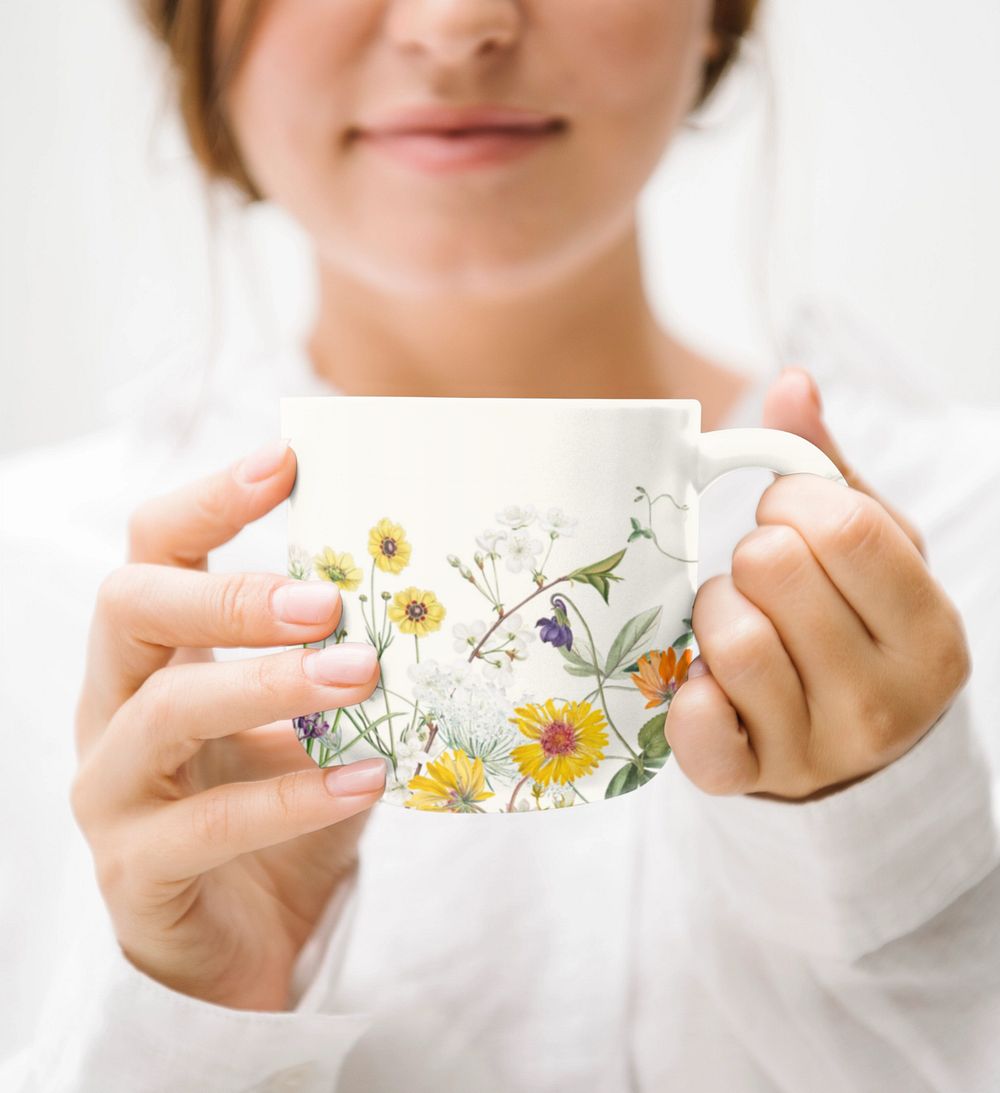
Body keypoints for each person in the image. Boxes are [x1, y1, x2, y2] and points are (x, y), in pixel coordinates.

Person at [1, 1, 998, 1090]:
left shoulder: (963, 528)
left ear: (716, 15)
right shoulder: (35, 574)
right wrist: (193, 1018)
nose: (455, 22)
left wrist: (878, 867)